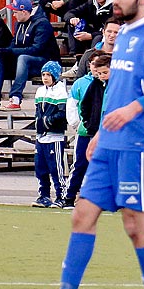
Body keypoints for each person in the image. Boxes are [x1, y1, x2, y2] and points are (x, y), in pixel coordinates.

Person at [20, 0, 144, 289]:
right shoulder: (122, 34)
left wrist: (133, 109)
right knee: (81, 213)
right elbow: (119, 86)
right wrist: (98, 133)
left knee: (134, 223)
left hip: (139, 143)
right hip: (109, 141)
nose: (117, 0)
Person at [0, 0, 59, 110]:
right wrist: (5, 51)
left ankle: (15, 99)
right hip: (23, 63)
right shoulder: (19, 23)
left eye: (15, 12)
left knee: (23, 58)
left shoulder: (42, 24)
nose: (13, 15)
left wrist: (11, 51)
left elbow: (37, 49)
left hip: (43, 63)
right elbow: (14, 43)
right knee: (0, 56)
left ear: (24, 12)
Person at [63, 53, 111, 207]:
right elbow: (84, 105)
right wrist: (88, 123)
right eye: (99, 71)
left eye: (105, 72)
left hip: (109, 135)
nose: (101, 75)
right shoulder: (88, 84)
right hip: (88, 133)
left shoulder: (118, 85)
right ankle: (69, 197)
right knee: (80, 164)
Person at [32, 61, 70, 208]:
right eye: (43, 75)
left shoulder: (61, 92)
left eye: (48, 75)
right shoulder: (40, 91)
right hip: (41, 136)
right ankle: (44, 195)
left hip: (54, 136)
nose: (45, 78)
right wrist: (38, 123)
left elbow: (62, 113)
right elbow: (37, 111)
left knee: (55, 167)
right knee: (40, 167)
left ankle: (62, 195)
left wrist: (48, 121)